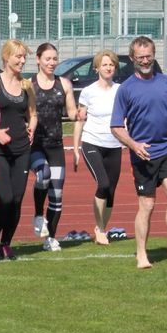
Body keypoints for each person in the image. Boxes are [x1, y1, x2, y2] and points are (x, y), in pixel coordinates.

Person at [110, 36, 167, 269]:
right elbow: (116, 126)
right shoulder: (126, 89)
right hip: (143, 154)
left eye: (148, 56)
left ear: (154, 55)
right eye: (140, 57)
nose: (145, 61)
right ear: (133, 58)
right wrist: (134, 145)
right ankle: (141, 254)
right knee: (148, 204)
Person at [0, 39, 36, 260]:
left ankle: (6, 243)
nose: (22, 61)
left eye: (24, 57)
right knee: (5, 198)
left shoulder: (27, 85)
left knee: (17, 200)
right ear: (6, 57)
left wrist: (32, 127)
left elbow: (33, 114)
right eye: (18, 56)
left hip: (22, 150)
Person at [30, 43, 77, 251]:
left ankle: (50, 238)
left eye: (54, 59)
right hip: (35, 145)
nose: (52, 62)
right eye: (47, 59)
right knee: (43, 176)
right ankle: (38, 215)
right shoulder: (28, 84)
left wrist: (79, 114)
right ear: (38, 60)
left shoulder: (64, 84)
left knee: (57, 195)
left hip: (56, 145)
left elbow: (72, 112)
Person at [73, 50, 123, 245]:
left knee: (111, 190)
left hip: (114, 144)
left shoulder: (121, 90)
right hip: (92, 142)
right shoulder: (88, 91)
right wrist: (75, 149)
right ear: (96, 68)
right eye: (104, 65)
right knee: (103, 184)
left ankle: (101, 229)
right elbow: (80, 120)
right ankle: (100, 229)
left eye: (111, 64)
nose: (108, 68)